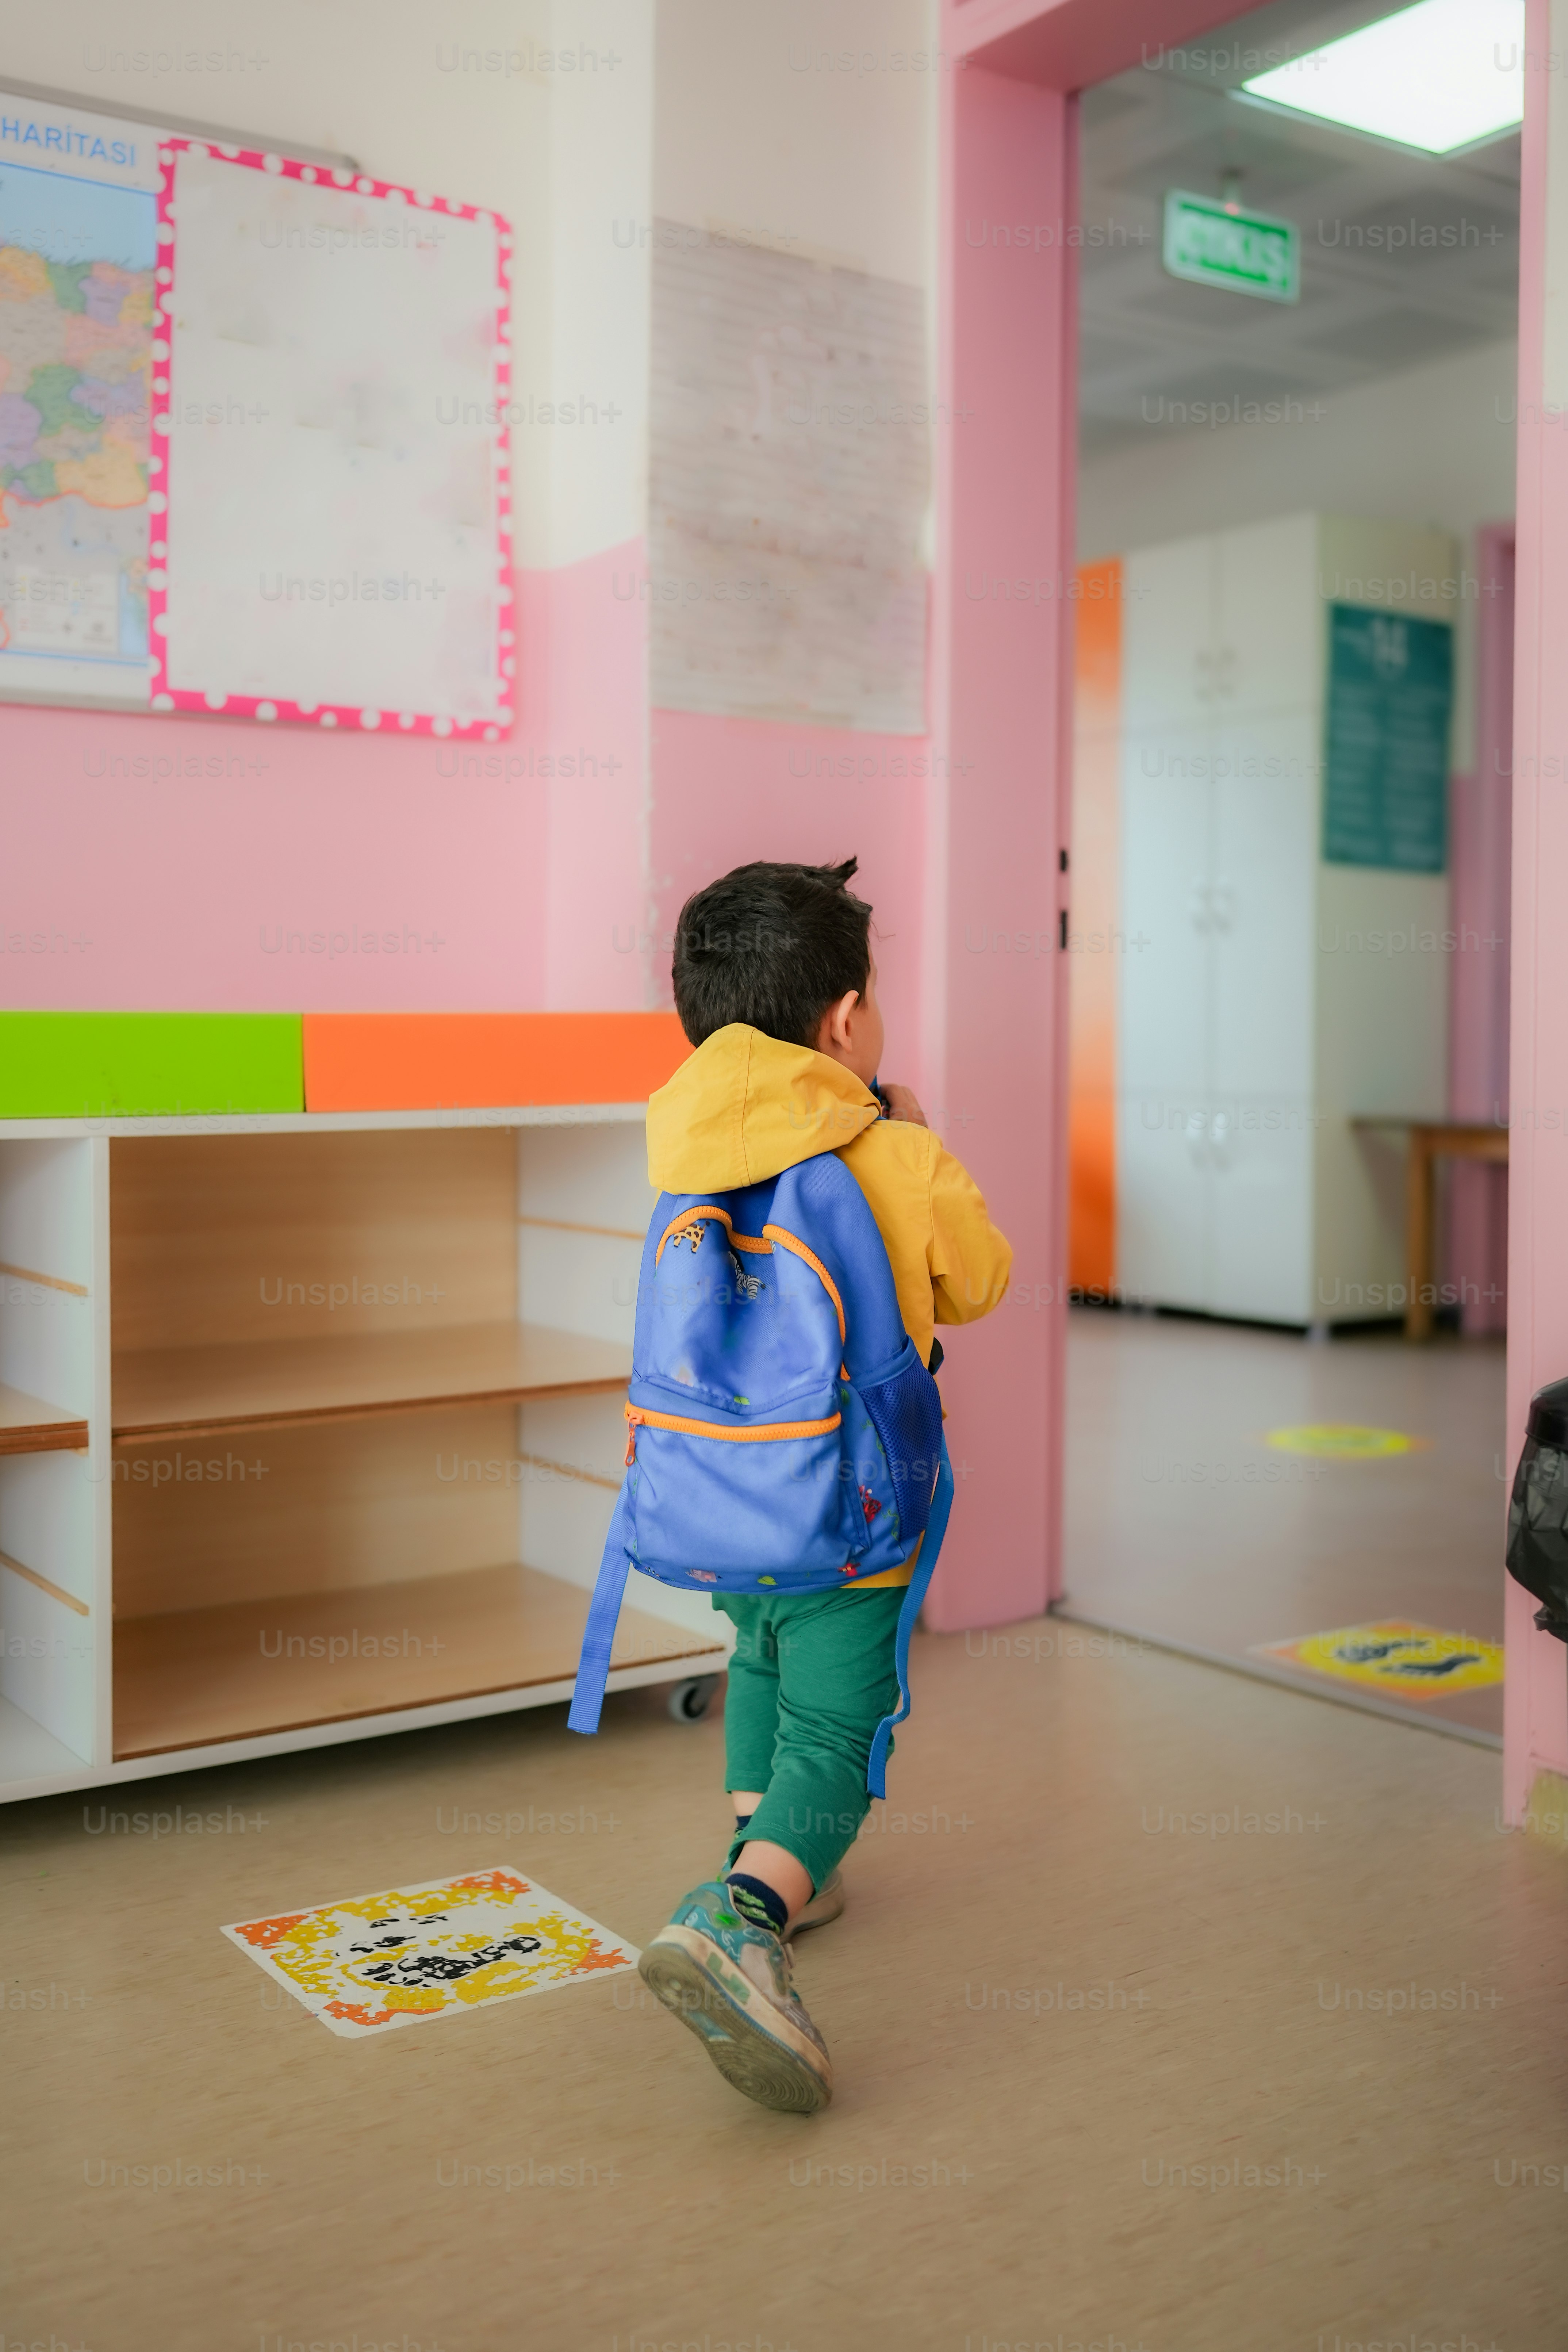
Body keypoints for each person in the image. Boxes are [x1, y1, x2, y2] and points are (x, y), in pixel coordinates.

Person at [635, 856, 1012, 2112]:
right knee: (842, 1729)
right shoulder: (881, 1150)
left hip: (716, 1499)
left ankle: (773, 1846)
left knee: (756, 1658)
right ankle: (743, 1913)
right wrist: (906, 1134)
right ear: (845, 1020)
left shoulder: (679, 1144)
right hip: (851, 1508)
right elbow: (981, 1280)